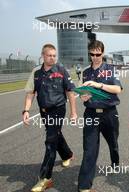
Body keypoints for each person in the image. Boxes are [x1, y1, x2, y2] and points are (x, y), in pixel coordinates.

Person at [22, 43, 77, 192]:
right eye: (49, 55)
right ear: (43, 56)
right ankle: (67, 154)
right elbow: (30, 93)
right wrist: (26, 110)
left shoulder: (62, 70)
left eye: (54, 55)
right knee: (55, 135)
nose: (52, 58)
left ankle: (45, 178)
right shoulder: (36, 73)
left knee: (50, 141)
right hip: (44, 111)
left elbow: (70, 92)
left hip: (58, 110)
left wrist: (73, 112)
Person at [78, 40, 122, 192]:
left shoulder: (111, 69)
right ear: (89, 54)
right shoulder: (85, 72)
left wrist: (99, 85)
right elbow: (84, 92)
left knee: (113, 144)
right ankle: (84, 187)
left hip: (109, 114)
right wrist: (83, 96)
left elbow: (118, 89)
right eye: (92, 54)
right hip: (90, 114)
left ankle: (115, 162)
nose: (95, 57)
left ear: (103, 53)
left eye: (98, 54)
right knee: (89, 149)